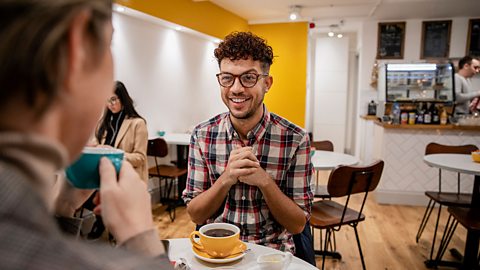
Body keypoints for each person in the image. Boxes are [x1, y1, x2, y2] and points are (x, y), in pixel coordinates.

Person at [0, 1, 172, 269]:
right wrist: (144, 243)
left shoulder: (136, 122)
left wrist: (62, 211)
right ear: (76, 50)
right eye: (109, 45)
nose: (108, 101)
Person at [182, 32, 314, 254]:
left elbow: (297, 224)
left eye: (249, 78)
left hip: (272, 255)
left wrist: (265, 182)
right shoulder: (202, 135)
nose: (236, 88)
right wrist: (226, 178)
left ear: (267, 83)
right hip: (216, 253)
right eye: (227, 78)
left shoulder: (295, 139)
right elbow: (195, 214)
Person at [93, 81, 149, 182]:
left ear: (123, 99)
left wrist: (114, 153)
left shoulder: (137, 124)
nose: (110, 104)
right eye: (107, 100)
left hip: (128, 179)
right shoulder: (104, 124)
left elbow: (140, 158)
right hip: (105, 177)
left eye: (113, 99)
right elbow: (95, 146)